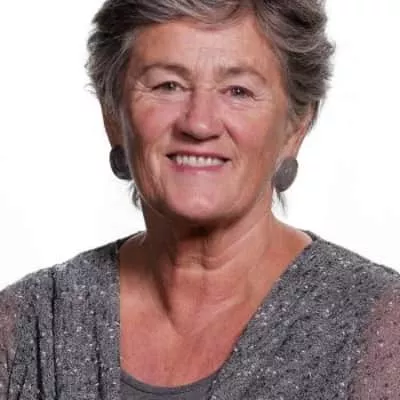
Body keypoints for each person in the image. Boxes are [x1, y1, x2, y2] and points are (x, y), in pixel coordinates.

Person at [1, 0, 400, 399]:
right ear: (113, 117)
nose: (199, 123)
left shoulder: (381, 326)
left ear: (295, 128)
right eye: (167, 86)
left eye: (238, 91)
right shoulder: (26, 325)